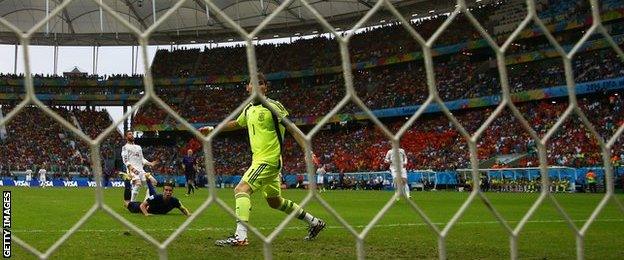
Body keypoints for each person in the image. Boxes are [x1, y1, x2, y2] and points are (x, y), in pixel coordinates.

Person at [200, 74, 325, 246]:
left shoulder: (273, 106)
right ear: (248, 88)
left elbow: (293, 128)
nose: (257, 86)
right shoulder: (249, 109)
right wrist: (213, 129)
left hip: (269, 160)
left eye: (261, 83)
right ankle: (315, 222)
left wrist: (307, 150)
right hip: (261, 160)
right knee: (275, 202)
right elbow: (237, 123)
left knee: (241, 189)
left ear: (266, 87)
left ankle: (241, 237)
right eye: (253, 83)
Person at [122, 174, 190, 216]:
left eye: (170, 190)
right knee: (126, 203)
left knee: (153, 194)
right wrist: (146, 214)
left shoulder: (174, 201)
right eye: (166, 190)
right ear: (163, 191)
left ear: (172, 192)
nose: (168, 192)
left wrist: (188, 214)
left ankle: (147, 179)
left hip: (153, 203)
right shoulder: (157, 197)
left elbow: (183, 209)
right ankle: (127, 180)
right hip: (141, 208)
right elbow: (142, 205)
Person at [121, 131, 158, 202]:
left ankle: (146, 202)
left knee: (153, 182)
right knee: (138, 184)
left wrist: (150, 163)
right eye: (129, 134)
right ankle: (131, 203)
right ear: (126, 137)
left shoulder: (138, 147)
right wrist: (132, 169)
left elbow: (142, 159)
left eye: (132, 134)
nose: (132, 135)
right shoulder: (125, 147)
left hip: (141, 170)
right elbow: (125, 160)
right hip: (132, 171)